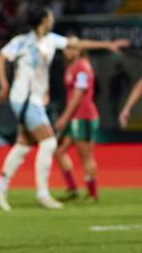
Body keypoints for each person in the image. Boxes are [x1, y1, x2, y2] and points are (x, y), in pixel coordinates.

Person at [0, 5, 128, 211]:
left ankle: (0, 187)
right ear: (44, 20)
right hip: (24, 99)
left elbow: (78, 43)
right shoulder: (22, 41)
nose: (52, 18)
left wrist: (107, 45)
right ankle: (42, 193)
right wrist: (4, 85)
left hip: (34, 99)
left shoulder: (51, 40)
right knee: (49, 143)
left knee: (23, 144)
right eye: (50, 16)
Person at [53, 44, 99, 202]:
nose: (68, 51)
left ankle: (92, 194)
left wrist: (64, 118)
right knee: (59, 151)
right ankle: (73, 188)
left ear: (79, 50)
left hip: (84, 116)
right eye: (66, 48)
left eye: (72, 48)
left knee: (85, 155)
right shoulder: (72, 67)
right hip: (74, 117)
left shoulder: (82, 67)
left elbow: (78, 95)